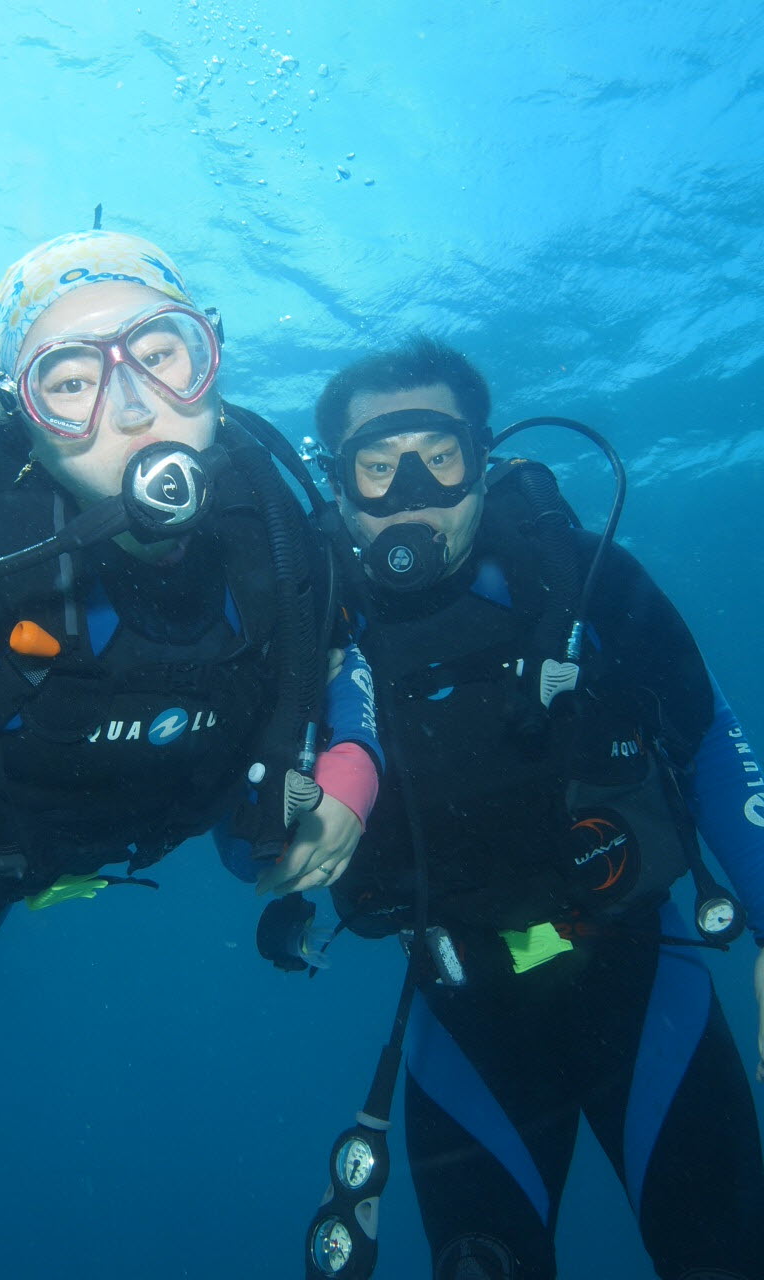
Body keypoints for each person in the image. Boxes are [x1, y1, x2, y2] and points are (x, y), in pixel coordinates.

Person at [0, 229, 380, 1169]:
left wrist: (355, 759)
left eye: (160, 354)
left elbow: (341, 648)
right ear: (20, 416)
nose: (136, 408)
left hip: (121, 816)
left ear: (211, 362)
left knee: (270, 851)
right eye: (71, 382)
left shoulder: (276, 526)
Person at [310, 335, 764, 1279]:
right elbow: (244, 835)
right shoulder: (310, 632)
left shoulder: (585, 579)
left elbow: (711, 743)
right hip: (462, 1014)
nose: (411, 496)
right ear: (337, 485)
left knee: (725, 1254)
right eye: (377, 468)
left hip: (642, 976)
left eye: (440, 458)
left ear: (484, 461)